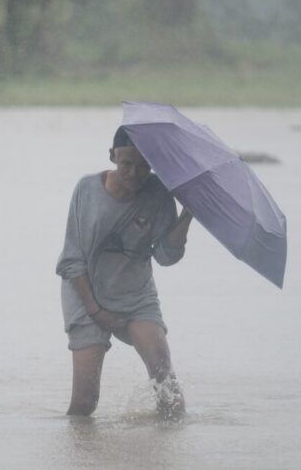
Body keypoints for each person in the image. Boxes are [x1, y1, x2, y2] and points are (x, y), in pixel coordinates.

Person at [56, 126, 194, 419]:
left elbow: (165, 257)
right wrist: (96, 311)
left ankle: (169, 444)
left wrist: (188, 214)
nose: (134, 173)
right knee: (85, 402)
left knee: (167, 388)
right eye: (126, 164)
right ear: (112, 157)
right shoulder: (87, 189)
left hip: (136, 296)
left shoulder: (159, 195)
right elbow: (71, 260)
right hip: (85, 292)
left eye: (144, 166)